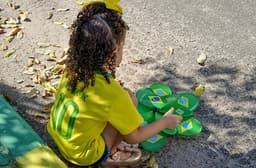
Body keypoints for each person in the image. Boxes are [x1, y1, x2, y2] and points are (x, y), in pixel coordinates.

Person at [47, 1, 182, 167]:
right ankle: (109, 154)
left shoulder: (72, 69)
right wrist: (165, 122)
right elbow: (134, 137)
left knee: (125, 101)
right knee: (130, 102)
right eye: (123, 45)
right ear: (115, 52)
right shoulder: (112, 95)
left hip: (58, 136)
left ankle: (106, 146)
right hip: (83, 156)